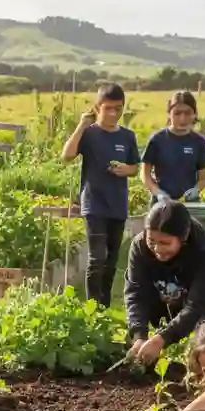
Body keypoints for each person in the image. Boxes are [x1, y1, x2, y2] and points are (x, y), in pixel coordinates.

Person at [124, 201, 205, 366]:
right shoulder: (140, 246)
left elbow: (198, 306)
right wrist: (139, 335)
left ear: (183, 239)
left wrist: (163, 338)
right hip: (171, 289)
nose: (157, 249)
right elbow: (135, 292)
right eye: (152, 241)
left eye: (165, 243)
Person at [60, 83, 140, 307]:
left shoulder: (127, 136)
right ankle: (92, 307)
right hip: (94, 204)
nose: (114, 113)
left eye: (119, 108)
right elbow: (66, 156)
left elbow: (135, 166)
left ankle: (103, 307)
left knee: (112, 260)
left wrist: (127, 170)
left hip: (118, 204)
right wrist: (82, 125)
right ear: (98, 107)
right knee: (97, 259)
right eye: (108, 108)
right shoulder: (89, 134)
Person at [140, 91, 205, 203]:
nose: (182, 118)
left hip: (188, 203)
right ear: (169, 114)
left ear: (194, 114)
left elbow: (203, 179)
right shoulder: (157, 139)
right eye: (177, 113)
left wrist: (196, 190)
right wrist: (157, 192)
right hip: (161, 203)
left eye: (187, 113)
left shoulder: (199, 142)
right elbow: (144, 174)